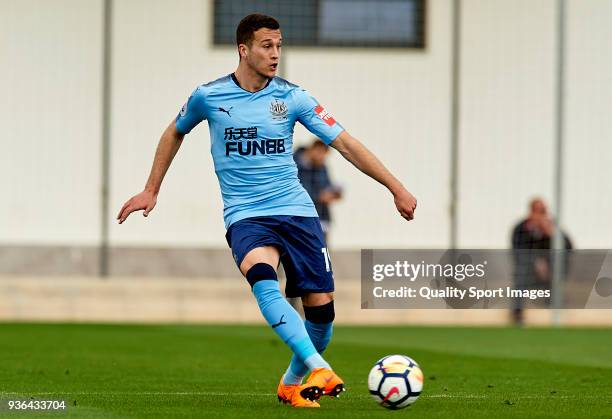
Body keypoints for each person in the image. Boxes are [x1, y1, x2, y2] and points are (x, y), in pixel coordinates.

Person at [117, 13, 417, 408]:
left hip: (297, 212)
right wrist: (151, 189)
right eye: (266, 46)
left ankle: (292, 382)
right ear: (244, 49)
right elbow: (174, 131)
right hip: (246, 214)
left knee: (322, 318)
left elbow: (345, 144)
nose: (276, 54)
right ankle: (317, 367)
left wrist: (395, 187)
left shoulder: (294, 97)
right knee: (262, 276)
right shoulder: (209, 96)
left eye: (279, 45)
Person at [511, 198, 572, 325]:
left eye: (543, 211)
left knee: (557, 268)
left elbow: (568, 247)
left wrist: (552, 234)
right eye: (537, 211)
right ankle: (517, 313)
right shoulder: (521, 228)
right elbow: (517, 251)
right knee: (520, 274)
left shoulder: (552, 227)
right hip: (528, 270)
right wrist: (536, 262)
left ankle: (552, 307)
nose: (540, 215)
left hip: (549, 270)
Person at [294, 139, 342, 241]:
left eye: (325, 155)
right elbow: (295, 192)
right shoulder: (293, 165)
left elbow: (327, 185)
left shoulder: (322, 166)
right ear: (312, 149)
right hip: (299, 218)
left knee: (321, 251)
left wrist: (334, 194)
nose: (322, 158)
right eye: (320, 153)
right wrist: (318, 196)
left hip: (321, 216)